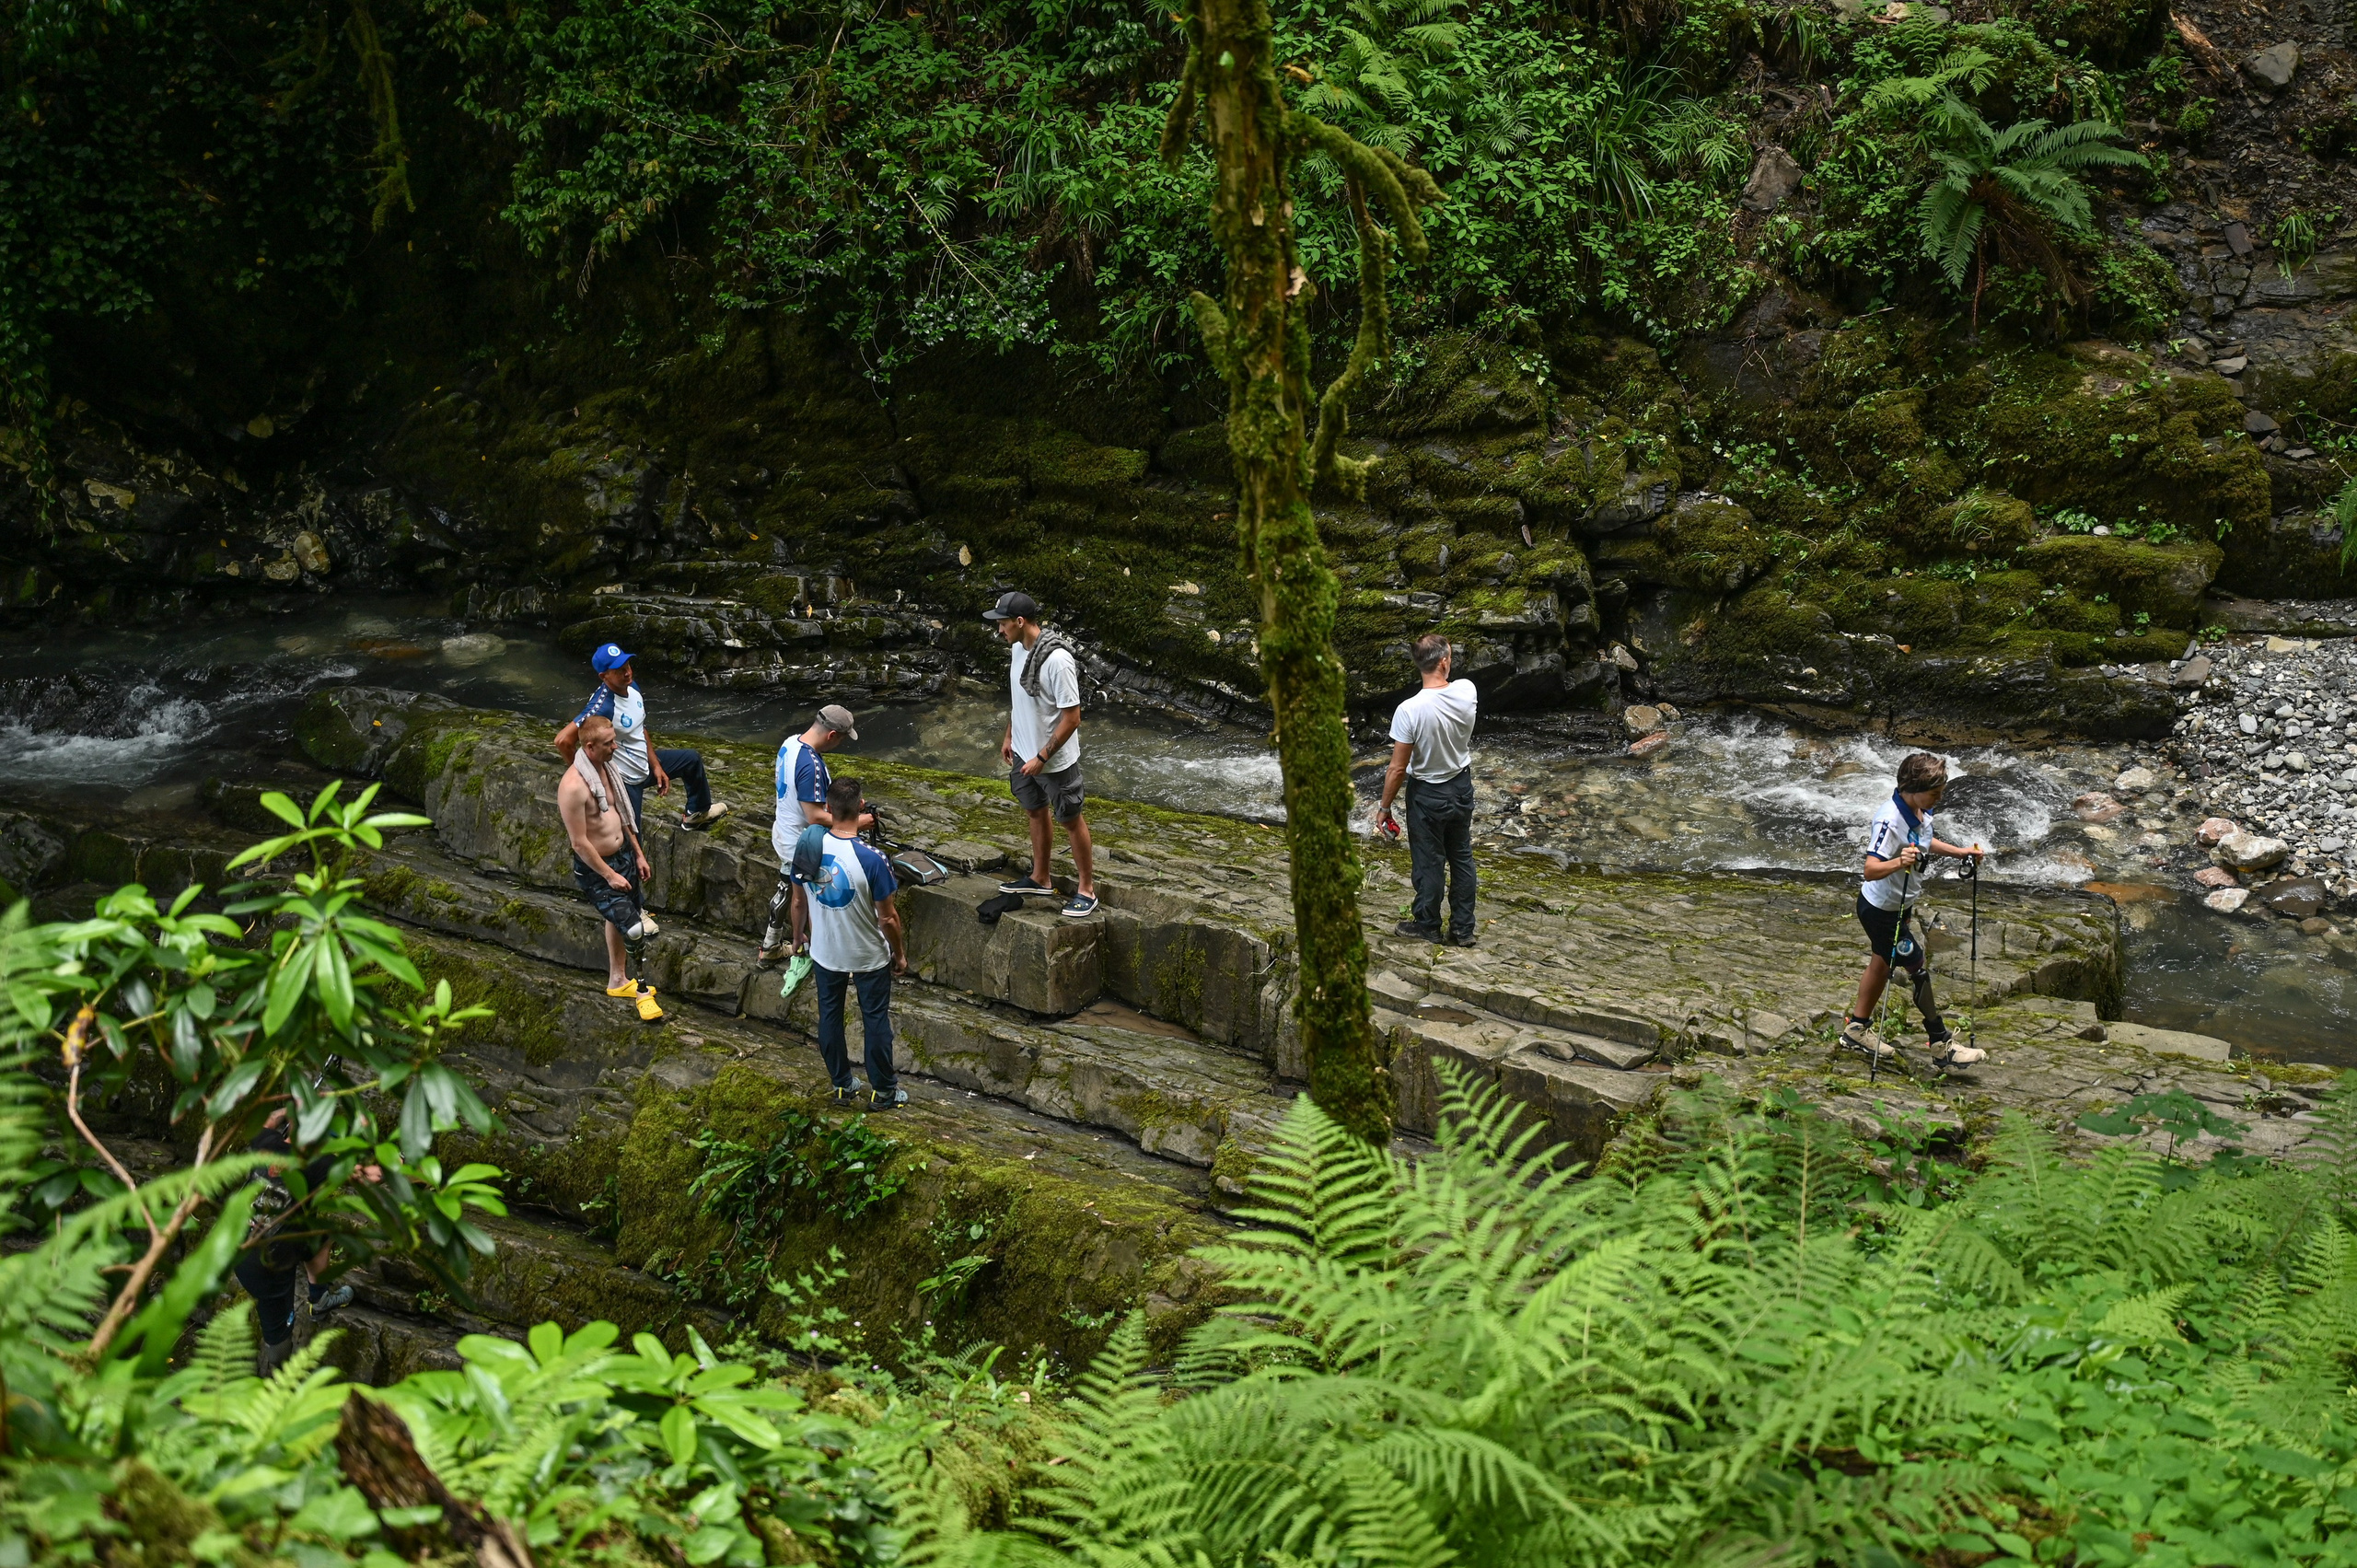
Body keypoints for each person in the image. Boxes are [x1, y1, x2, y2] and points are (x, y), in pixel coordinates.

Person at [1842, 751, 1989, 1069]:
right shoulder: (1889, 819)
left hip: (1900, 907)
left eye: (1941, 792)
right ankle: (1941, 1044)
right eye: (1934, 793)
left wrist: (1959, 851)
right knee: (1916, 966)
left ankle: (1856, 1028)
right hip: (1881, 911)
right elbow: (1870, 869)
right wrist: (1899, 862)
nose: (1939, 798)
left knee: (1881, 964)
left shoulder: (1919, 810)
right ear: (1911, 787)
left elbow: (1925, 841)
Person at [235, 1110, 377, 1376]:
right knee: (279, 1347)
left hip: (237, 1244)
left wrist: (286, 1110)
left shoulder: (266, 1142)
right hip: (267, 1267)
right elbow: (371, 1175)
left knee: (321, 1236)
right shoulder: (320, 1164)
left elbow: (266, 1120)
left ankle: (320, 1298)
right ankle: (282, 1379)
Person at [985, 590, 1097, 919]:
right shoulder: (1018, 649)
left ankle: (1087, 890)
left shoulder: (1058, 661)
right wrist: (1009, 735)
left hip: (1054, 762)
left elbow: (1072, 717)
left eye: (1003, 624)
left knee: (1071, 820)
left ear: (1020, 622)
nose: (1000, 630)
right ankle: (1040, 877)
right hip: (1023, 752)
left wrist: (1042, 758)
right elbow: (1020, 699)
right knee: (1035, 811)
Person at [804, 775, 908, 1108]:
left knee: (829, 1016)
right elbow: (888, 918)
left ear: (829, 809)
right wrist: (899, 953)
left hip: (825, 950)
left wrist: (797, 937)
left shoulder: (808, 847)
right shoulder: (873, 858)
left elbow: (796, 899)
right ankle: (883, 1091)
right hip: (867, 954)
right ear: (861, 807)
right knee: (874, 1018)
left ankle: (842, 1085)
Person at [552, 643, 730, 832]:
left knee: (691, 760)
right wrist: (592, 781)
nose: (627, 672)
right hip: (625, 781)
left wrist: (656, 765)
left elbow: (640, 728)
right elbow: (563, 741)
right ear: (604, 676)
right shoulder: (603, 706)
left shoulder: (632, 687)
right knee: (632, 838)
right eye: (619, 670)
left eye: (627, 665)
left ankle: (696, 814)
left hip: (643, 764)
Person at [1376, 633, 1480, 946]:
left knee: (1429, 861)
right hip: (1461, 785)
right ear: (1445, 662)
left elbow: (1397, 768)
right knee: (1461, 856)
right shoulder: (1467, 690)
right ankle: (1463, 930)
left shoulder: (1409, 710)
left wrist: (1384, 808)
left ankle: (1428, 925)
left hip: (1427, 794)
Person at [558, 714, 664, 1021]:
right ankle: (642, 990)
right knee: (632, 928)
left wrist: (639, 854)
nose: (615, 747)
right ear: (589, 747)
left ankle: (617, 980)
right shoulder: (574, 787)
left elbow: (622, 816)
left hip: (624, 858)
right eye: (609, 744)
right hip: (598, 869)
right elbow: (579, 843)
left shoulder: (608, 770)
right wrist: (609, 874)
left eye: (614, 740)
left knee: (619, 919)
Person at [760, 704, 864, 965]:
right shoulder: (811, 764)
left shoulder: (790, 743)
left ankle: (772, 944)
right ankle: (822, 955)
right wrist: (856, 821)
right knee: (819, 899)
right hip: (804, 844)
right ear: (831, 735)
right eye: (841, 738)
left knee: (788, 891)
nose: (840, 743)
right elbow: (814, 816)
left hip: (784, 833)